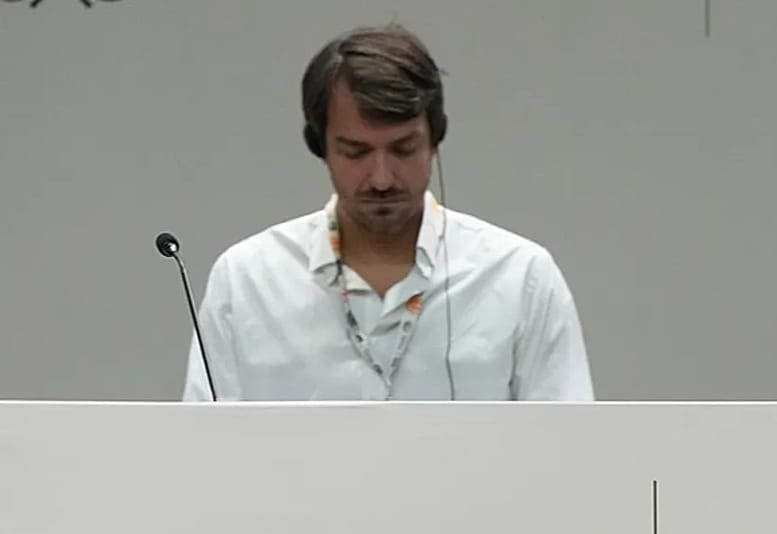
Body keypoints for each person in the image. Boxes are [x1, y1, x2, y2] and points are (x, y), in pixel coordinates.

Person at [182, 23, 594, 401]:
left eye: (403, 149)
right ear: (318, 146)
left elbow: (569, 452)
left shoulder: (519, 277)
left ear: (436, 139)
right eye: (356, 152)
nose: (382, 178)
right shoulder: (248, 280)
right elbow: (202, 455)